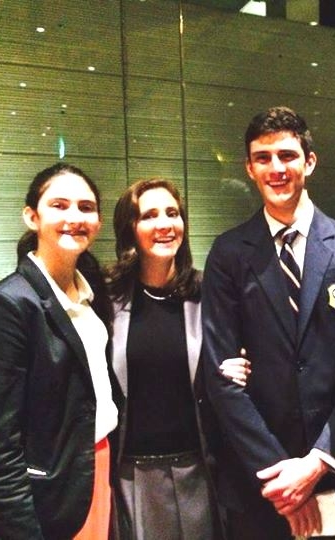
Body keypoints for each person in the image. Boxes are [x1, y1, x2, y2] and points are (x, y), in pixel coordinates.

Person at [201, 106, 335, 539]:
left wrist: (317, 463)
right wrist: (281, 479)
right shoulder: (228, 253)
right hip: (259, 481)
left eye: (287, 155)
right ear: (249, 168)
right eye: (263, 158)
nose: (276, 168)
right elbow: (220, 376)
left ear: (309, 162)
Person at [0, 163, 120, 539]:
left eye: (86, 207)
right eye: (59, 205)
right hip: (41, 494)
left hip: (92, 469)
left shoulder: (90, 294)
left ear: (98, 222)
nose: (75, 217)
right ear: (32, 217)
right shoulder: (7, 304)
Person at [107, 178, 249, 539]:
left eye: (172, 213)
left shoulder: (208, 292)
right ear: (129, 228)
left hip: (199, 470)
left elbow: (243, 351)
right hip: (129, 475)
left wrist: (239, 367)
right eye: (149, 215)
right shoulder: (107, 298)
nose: (165, 224)